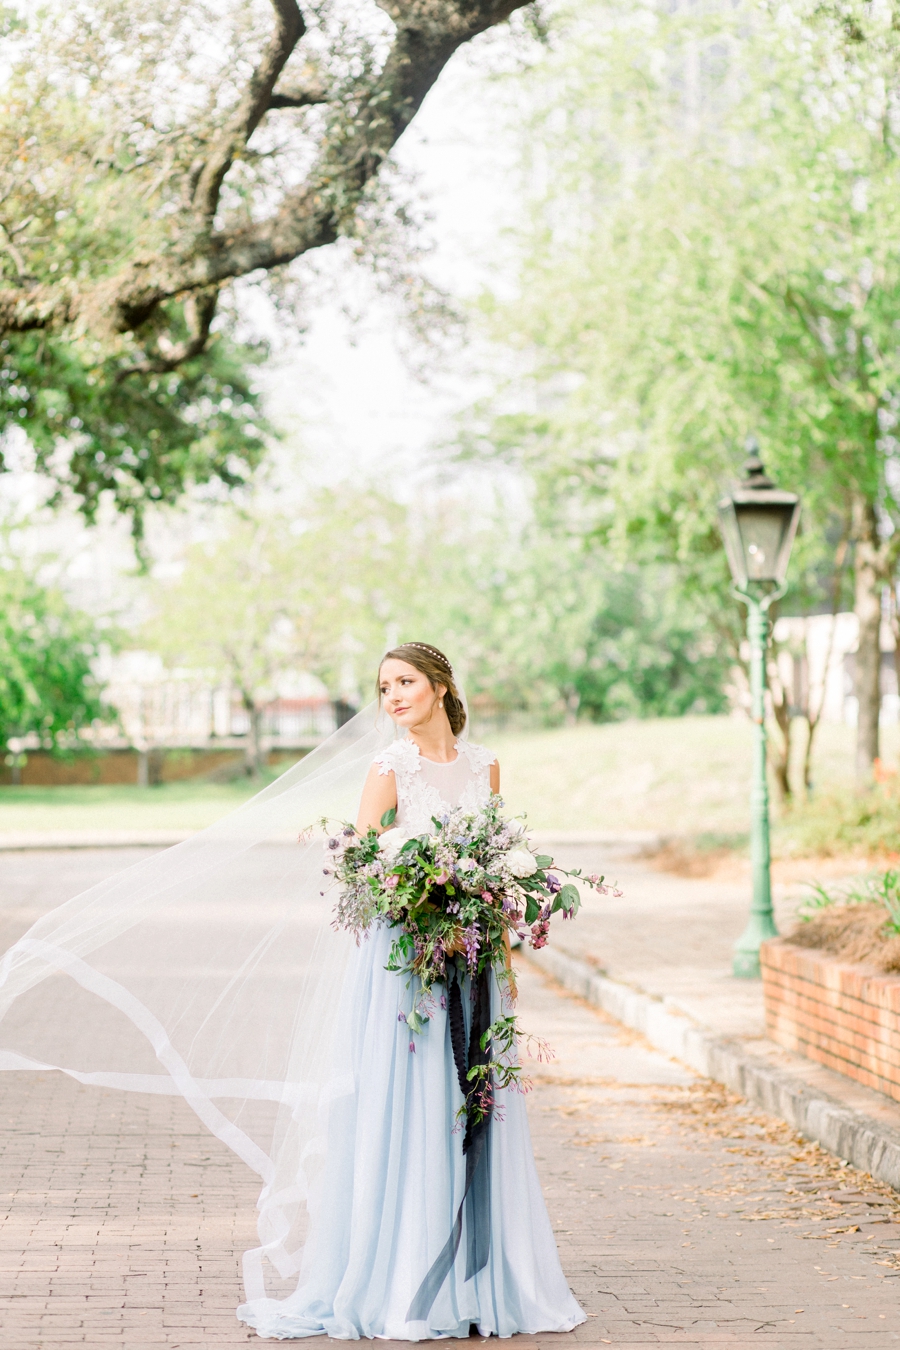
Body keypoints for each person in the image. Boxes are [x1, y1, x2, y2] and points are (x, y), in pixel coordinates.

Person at [237, 643, 585, 1339]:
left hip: (474, 955)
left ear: (440, 686)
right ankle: (402, 1277)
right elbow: (361, 861)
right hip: (406, 957)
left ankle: (478, 1279)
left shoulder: (485, 764)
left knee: (471, 1105)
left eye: (405, 683)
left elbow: (494, 854)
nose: (392, 697)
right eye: (384, 687)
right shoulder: (389, 766)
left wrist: (496, 928)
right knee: (412, 1103)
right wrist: (419, 880)